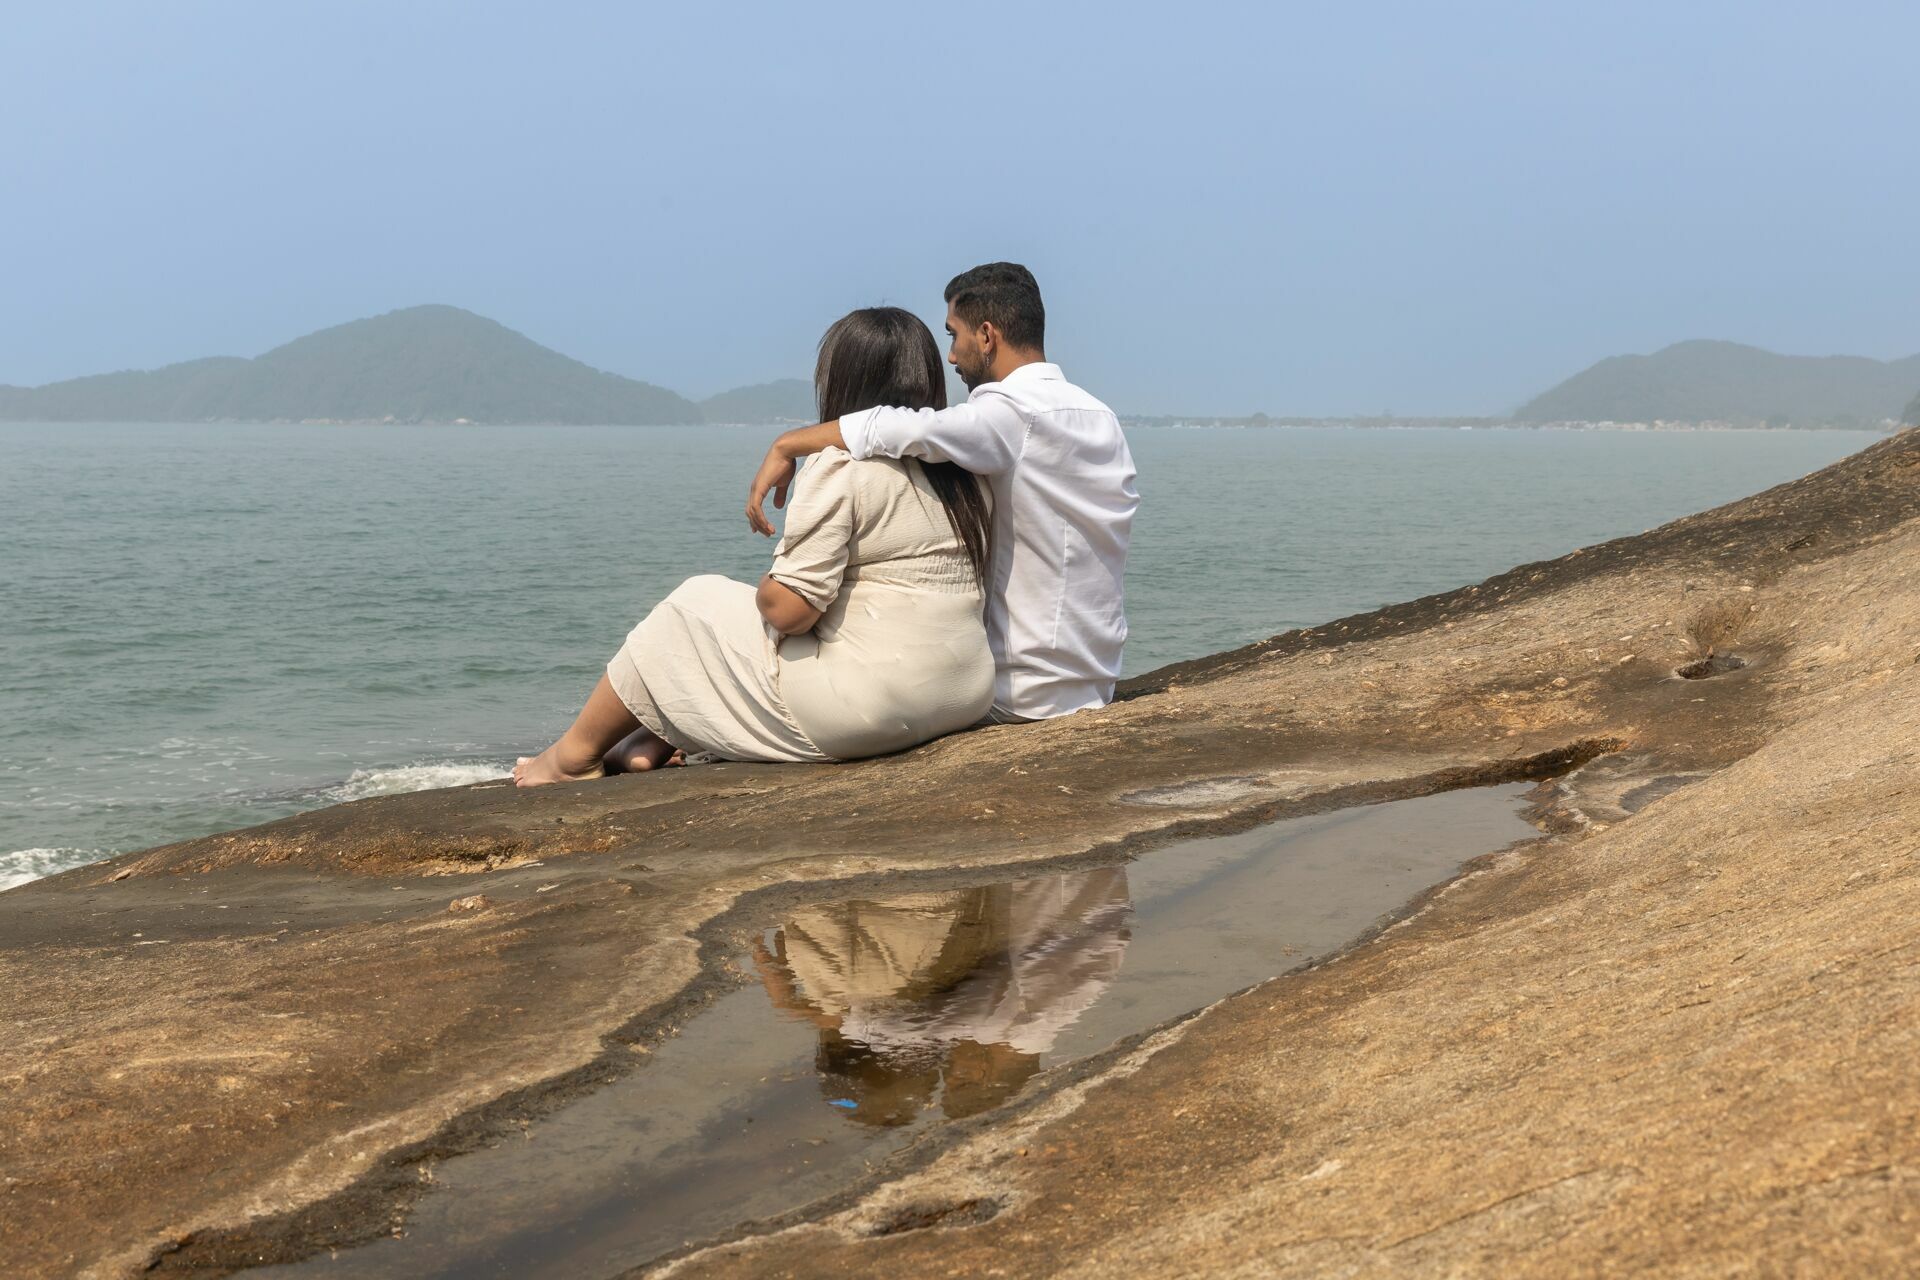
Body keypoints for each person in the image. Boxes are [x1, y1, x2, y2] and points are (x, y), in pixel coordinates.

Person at [513, 307, 994, 786]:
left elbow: (790, 612)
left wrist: (770, 586)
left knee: (689, 606)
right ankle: (648, 741)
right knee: (751, 633)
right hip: (962, 694)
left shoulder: (841, 467)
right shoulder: (965, 473)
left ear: (844, 384)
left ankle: (572, 759)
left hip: (877, 708)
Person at [747, 263, 1138, 723]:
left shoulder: (1010, 413)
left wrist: (788, 442)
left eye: (954, 335)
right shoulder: (1100, 417)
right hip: (1094, 681)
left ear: (987, 336)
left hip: (1019, 693)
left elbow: (897, 425)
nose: (951, 357)